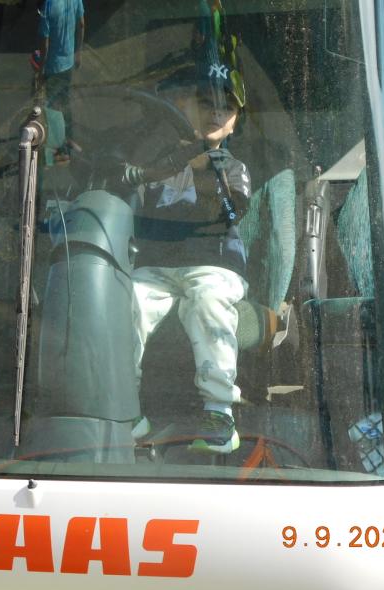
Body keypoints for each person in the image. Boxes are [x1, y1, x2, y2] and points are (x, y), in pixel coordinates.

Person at [131, 59, 250, 454]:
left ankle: (219, 412)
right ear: (183, 110)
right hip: (155, 266)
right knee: (126, 299)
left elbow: (231, 212)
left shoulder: (234, 169)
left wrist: (204, 168)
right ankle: (124, 407)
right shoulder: (155, 165)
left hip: (213, 266)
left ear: (234, 124)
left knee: (208, 301)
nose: (216, 113)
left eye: (226, 108)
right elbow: (132, 203)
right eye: (206, 103)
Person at [32, 0, 85, 148]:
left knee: (52, 106)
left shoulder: (47, 7)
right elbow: (81, 24)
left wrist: (40, 71)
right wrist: (78, 53)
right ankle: (70, 138)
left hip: (53, 67)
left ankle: (57, 144)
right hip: (68, 63)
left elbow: (45, 44)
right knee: (65, 101)